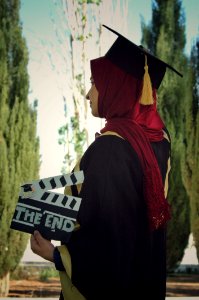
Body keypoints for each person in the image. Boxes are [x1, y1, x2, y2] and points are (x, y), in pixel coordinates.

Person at [30, 25, 182, 300]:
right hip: (143, 282)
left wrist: (55, 254)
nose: (88, 94)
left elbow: (107, 241)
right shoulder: (160, 141)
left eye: (94, 82)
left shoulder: (111, 148)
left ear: (115, 85)